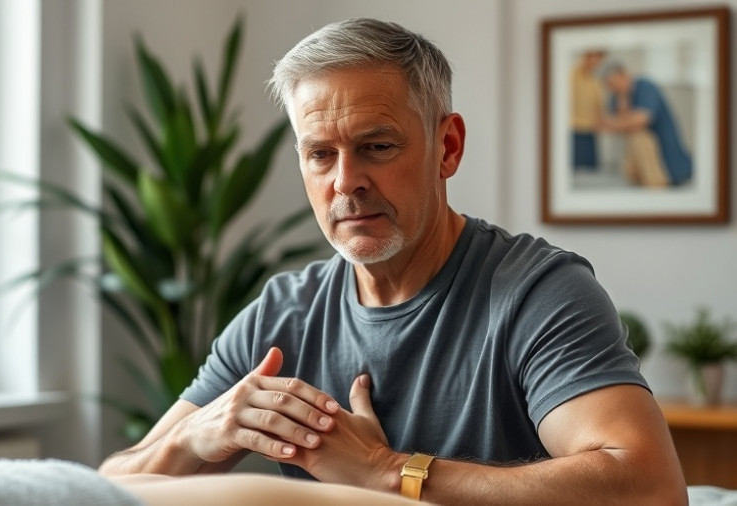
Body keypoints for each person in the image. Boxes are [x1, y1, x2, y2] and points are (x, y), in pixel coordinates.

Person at [100, 18, 686, 505]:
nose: (346, 182)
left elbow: (653, 489)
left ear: (447, 147)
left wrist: (386, 472)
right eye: (320, 155)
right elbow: (102, 489)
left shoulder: (538, 290)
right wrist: (192, 438)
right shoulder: (281, 312)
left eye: (377, 147)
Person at [601, 62, 693, 187]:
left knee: (637, 134)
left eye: (613, 83)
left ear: (624, 75)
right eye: (609, 86)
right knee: (631, 134)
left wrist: (614, 123)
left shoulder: (645, 87)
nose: (612, 88)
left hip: (664, 154)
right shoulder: (616, 97)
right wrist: (623, 100)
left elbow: (640, 120)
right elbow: (615, 125)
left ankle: (656, 180)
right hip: (640, 163)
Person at [570, 49, 606, 170]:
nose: (597, 63)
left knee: (590, 170)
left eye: (600, 59)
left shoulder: (594, 81)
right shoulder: (571, 76)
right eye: (595, 58)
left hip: (591, 132)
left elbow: (599, 106)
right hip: (574, 131)